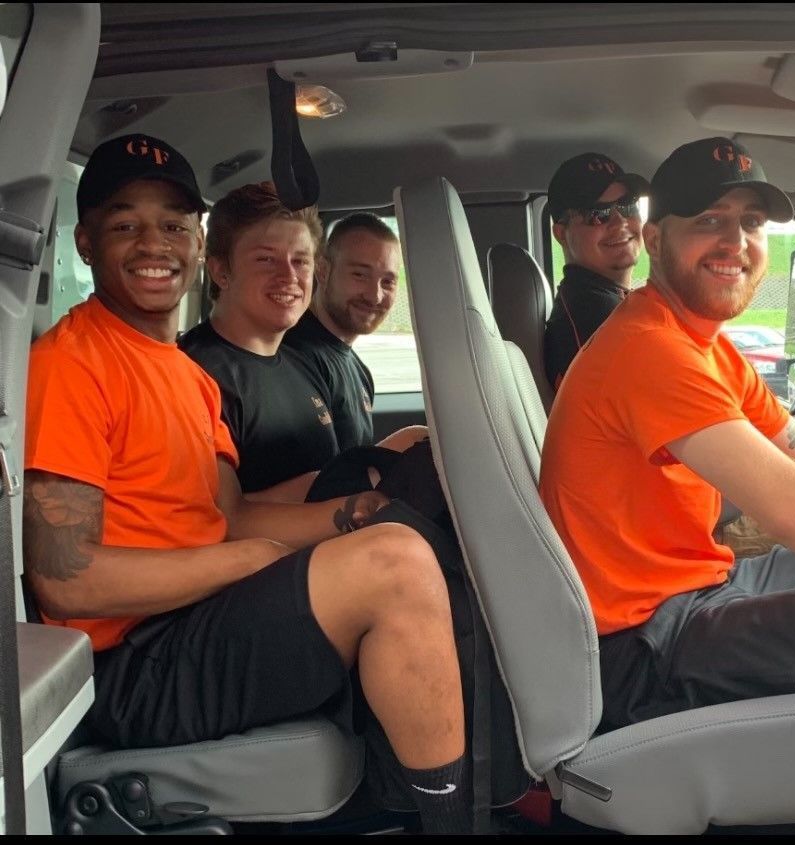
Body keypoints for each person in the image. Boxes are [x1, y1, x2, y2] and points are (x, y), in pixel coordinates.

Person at [23, 135, 472, 833]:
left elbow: (228, 514)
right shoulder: (71, 365)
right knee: (394, 567)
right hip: (129, 665)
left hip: (192, 622)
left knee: (404, 533)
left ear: (198, 246)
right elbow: (66, 582)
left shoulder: (185, 375)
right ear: (84, 242)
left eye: (174, 225)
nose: (154, 243)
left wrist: (359, 508)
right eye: (124, 224)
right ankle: (455, 823)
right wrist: (252, 562)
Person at [540, 136, 795, 807]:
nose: (735, 240)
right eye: (708, 219)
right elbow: (794, 507)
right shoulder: (648, 350)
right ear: (655, 239)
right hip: (646, 641)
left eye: (752, 222)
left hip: (695, 586)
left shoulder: (698, 341)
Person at [178, 182, 336, 502]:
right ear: (221, 271)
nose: (289, 277)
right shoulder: (192, 372)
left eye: (301, 261)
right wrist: (353, 500)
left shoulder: (303, 364)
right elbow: (214, 521)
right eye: (266, 259)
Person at [283, 212, 425, 454]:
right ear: (323, 271)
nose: (375, 296)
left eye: (388, 282)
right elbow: (317, 484)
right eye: (360, 275)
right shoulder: (292, 356)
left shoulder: (359, 371)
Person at [543, 153, 649, 390]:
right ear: (561, 234)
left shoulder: (610, 304)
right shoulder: (596, 318)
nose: (620, 222)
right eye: (596, 214)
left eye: (628, 205)